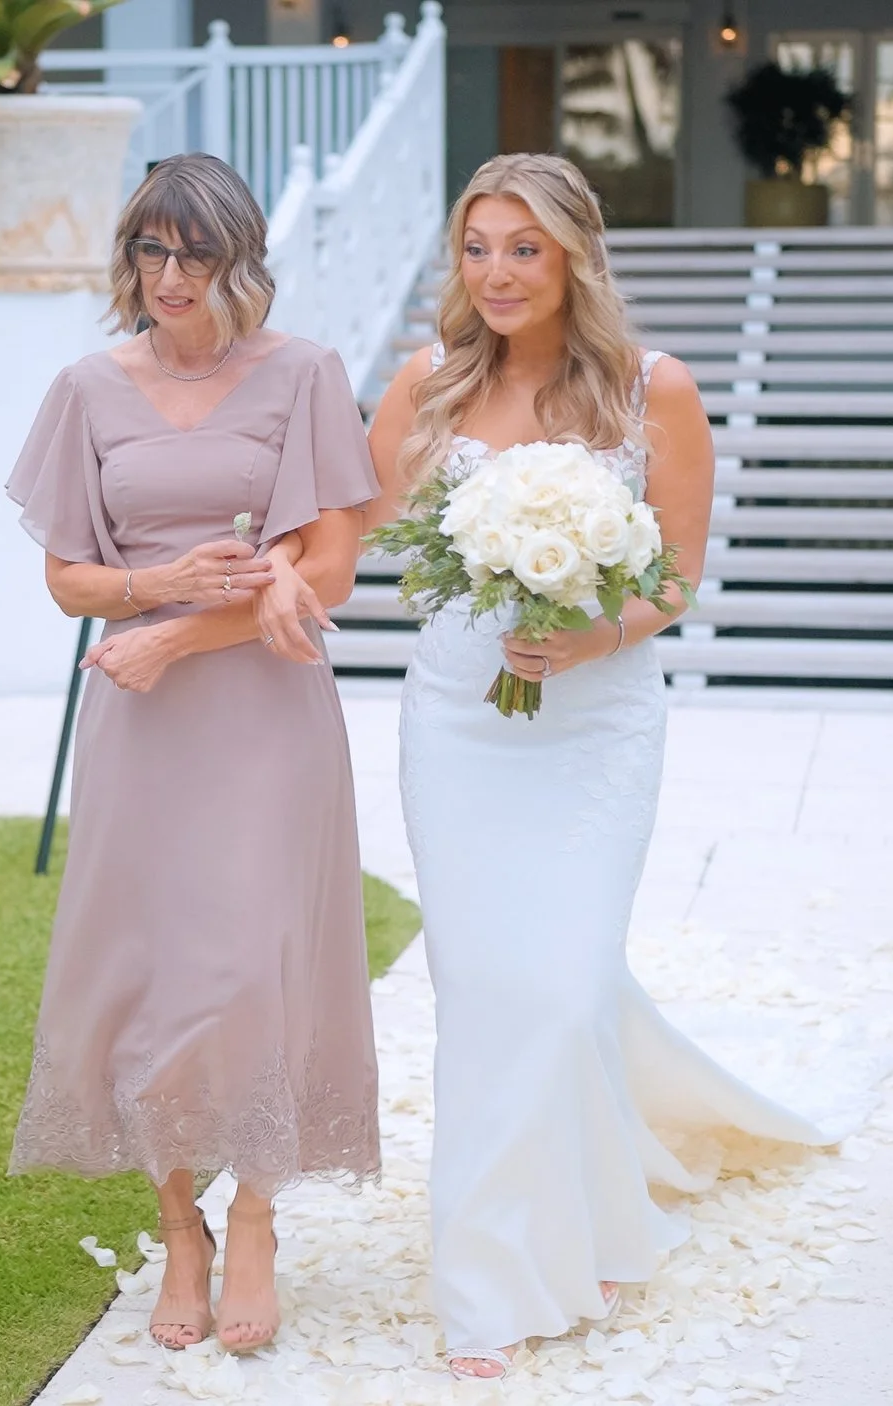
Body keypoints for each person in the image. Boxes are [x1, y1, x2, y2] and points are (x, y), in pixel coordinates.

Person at [359, 153, 831, 1380]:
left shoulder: (648, 390)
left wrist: (592, 630)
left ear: (575, 253)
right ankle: (485, 1281)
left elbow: (675, 573)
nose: (499, 271)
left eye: (525, 246)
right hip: (459, 717)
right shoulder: (428, 379)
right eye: (478, 246)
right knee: (482, 990)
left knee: (564, 989)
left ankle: (598, 1213)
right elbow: (341, 517)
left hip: (599, 722)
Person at [2, 152, 381, 1356]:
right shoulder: (84, 386)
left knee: (255, 962)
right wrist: (148, 591)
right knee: (153, 971)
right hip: (139, 718)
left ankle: (257, 1212)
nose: (168, 277)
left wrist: (177, 630)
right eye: (149, 253)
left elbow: (327, 569)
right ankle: (181, 1226)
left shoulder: (305, 374)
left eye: (194, 254)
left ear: (240, 260)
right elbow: (67, 577)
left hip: (266, 712)